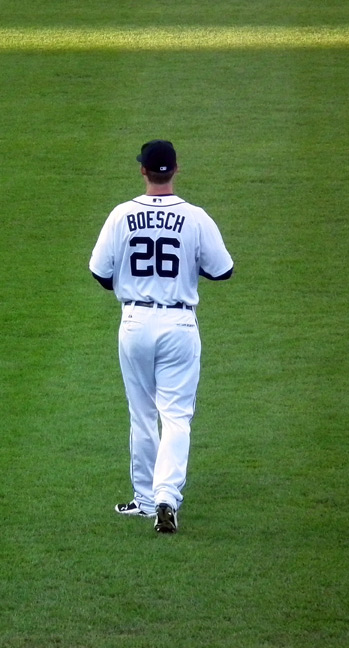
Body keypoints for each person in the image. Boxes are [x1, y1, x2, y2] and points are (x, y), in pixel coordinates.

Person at [89, 140, 234, 533]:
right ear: (176, 169)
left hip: (134, 321)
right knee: (176, 417)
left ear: (143, 171)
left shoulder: (121, 214)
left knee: (142, 414)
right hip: (180, 325)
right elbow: (223, 271)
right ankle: (167, 497)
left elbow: (100, 274)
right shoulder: (196, 217)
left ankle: (146, 499)